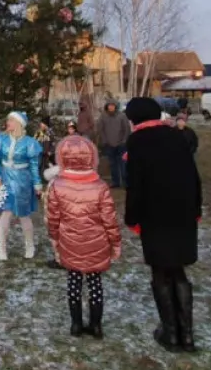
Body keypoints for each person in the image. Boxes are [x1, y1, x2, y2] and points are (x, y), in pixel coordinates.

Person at [124, 97, 202, 354]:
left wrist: (132, 217)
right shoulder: (176, 136)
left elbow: (135, 183)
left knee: (160, 271)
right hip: (183, 212)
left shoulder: (138, 141)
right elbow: (193, 175)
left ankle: (170, 332)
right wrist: (196, 209)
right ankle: (186, 334)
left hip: (155, 213)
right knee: (178, 270)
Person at [46, 135, 121, 338]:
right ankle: (95, 325)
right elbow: (110, 220)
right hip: (96, 243)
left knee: (74, 281)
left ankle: (76, 324)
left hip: (70, 242)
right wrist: (115, 243)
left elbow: (52, 217)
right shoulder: (100, 187)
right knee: (95, 282)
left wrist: (54, 239)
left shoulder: (57, 186)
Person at [0, 111, 44, 261]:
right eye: (8, 120)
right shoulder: (1, 139)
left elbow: (34, 166)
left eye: (11, 120)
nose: (8, 123)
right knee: (6, 213)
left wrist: (37, 183)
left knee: (23, 215)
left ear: (19, 124)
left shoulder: (30, 143)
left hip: (23, 182)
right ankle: (1, 247)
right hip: (5, 179)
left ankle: (29, 245)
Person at [95, 102, 131, 189]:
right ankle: (116, 182)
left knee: (123, 164)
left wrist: (124, 140)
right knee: (112, 164)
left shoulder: (122, 116)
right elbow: (100, 129)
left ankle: (125, 182)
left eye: (113, 105)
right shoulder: (103, 116)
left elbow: (127, 129)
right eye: (109, 106)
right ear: (107, 106)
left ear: (116, 106)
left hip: (121, 144)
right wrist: (105, 140)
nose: (111, 107)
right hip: (109, 144)